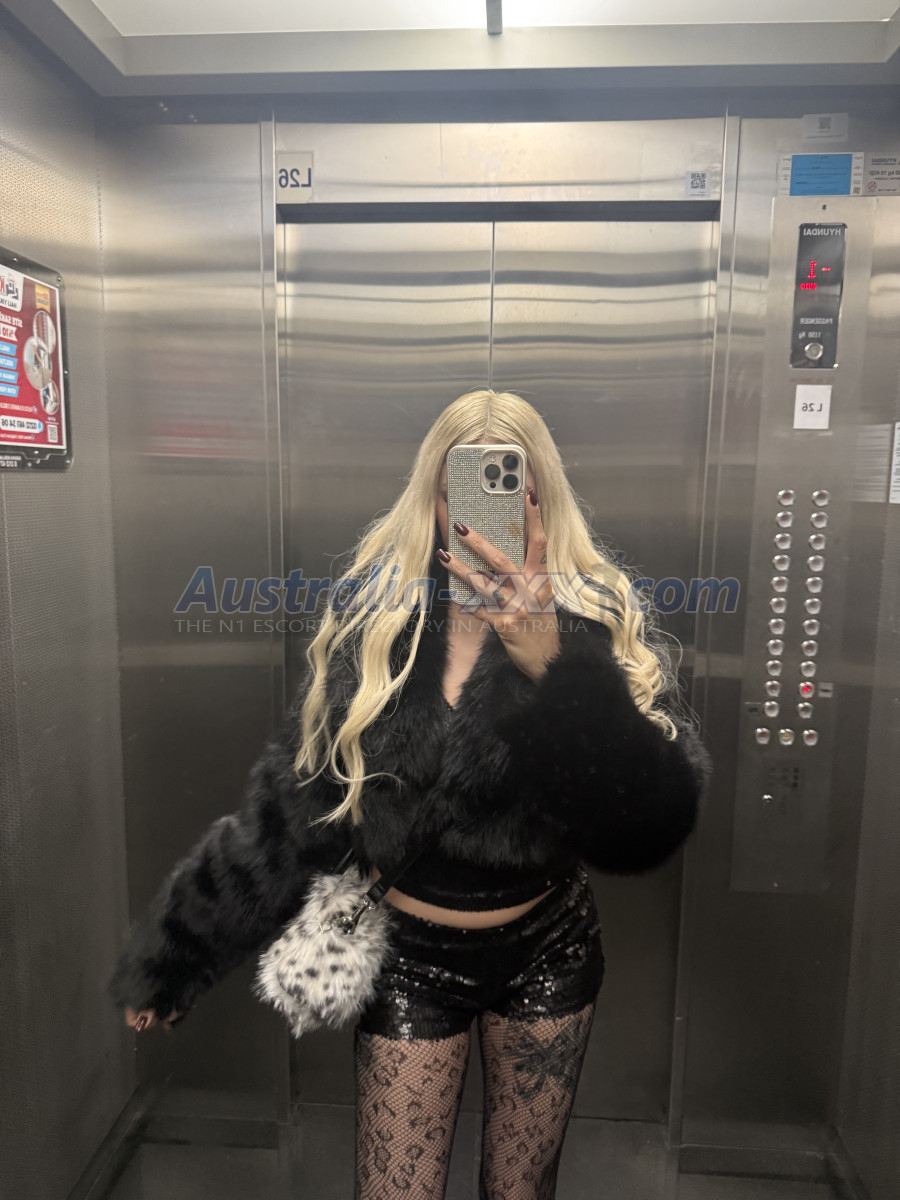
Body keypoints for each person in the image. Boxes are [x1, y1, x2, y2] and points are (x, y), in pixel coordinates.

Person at [108, 388, 713, 1199]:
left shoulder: (594, 622)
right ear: (433, 498)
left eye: (512, 492)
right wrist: (178, 950)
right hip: (410, 959)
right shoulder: (379, 624)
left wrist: (553, 667)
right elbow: (292, 806)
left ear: (541, 503)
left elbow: (651, 819)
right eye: (462, 492)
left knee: (521, 1191)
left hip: (549, 949)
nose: (483, 519)